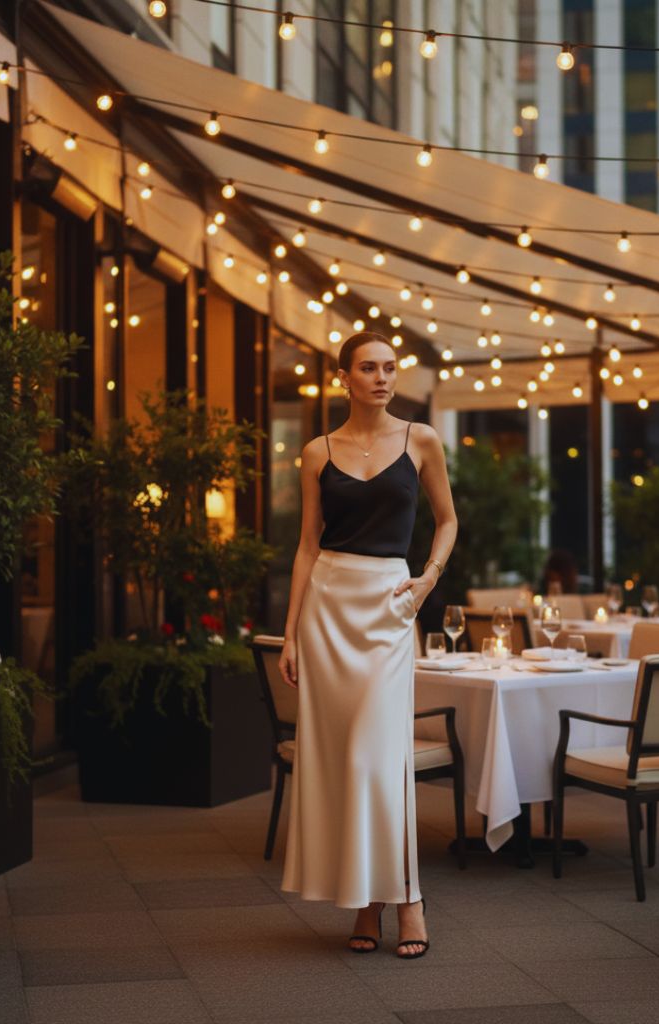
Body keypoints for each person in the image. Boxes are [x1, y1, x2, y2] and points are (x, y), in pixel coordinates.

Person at [278, 331, 457, 960]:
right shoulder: (315, 451)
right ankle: (366, 900)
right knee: (342, 761)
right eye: (368, 368)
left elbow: (448, 520)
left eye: (389, 368)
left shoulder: (421, 440)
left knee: (382, 758)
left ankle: (407, 899)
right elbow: (305, 544)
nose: (382, 378)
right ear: (343, 378)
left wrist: (428, 577)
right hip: (328, 606)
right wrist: (293, 629)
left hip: (388, 605)